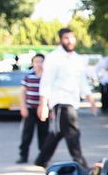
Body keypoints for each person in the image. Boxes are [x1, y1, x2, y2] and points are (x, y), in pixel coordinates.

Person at [35, 27, 97, 167]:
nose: (70, 41)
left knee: (58, 132)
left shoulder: (77, 59)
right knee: (72, 132)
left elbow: (82, 81)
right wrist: (43, 104)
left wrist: (91, 99)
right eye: (66, 38)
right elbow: (47, 81)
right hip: (61, 101)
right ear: (61, 40)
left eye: (72, 38)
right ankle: (80, 163)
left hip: (73, 101)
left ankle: (41, 160)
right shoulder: (54, 58)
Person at [18, 53, 47, 164]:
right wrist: (23, 107)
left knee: (43, 134)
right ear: (33, 63)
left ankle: (43, 157)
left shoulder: (48, 77)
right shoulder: (28, 76)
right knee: (27, 134)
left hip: (43, 110)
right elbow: (22, 92)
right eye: (36, 62)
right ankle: (23, 155)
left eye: (41, 61)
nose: (39, 64)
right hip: (30, 108)